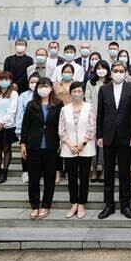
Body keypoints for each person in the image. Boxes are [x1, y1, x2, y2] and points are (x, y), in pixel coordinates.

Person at [96, 62, 131, 219]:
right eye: (116, 70)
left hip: (125, 136)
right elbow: (100, 114)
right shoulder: (104, 89)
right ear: (111, 73)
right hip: (108, 136)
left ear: (125, 73)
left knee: (124, 173)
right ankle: (109, 205)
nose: (118, 73)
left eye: (121, 71)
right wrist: (99, 135)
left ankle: (125, 205)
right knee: (108, 173)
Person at [20, 77, 63, 219]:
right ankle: (34, 206)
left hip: (51, 146)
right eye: (40, 86)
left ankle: (46, 206)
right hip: (33, 146)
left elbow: (61, 124)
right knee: (33, 179)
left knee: (50, 179)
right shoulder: (31, 105)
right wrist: (23, 143)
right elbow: (25, 125)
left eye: (46, 86)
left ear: (51, 88)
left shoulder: (58, 104)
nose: (43, 89)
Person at [58, 81, 96, 219]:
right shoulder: (65, 109)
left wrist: (82, 143)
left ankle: (82, 204)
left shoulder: (89, 107)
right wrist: (70, 144)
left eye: (79, 91)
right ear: (70, 93)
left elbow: (92, 127)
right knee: (72, 178)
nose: (77, 94)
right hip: (69, 148)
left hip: (86, 147)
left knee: (84, 177)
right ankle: (74, 203)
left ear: (83, 93)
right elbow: (61, 130)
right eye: (74, 91)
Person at [85, 60, 111, 183]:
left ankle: (104, 171)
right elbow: (87, 98)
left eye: (103, 68)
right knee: (93, 145)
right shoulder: (90, 82)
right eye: (99, 68)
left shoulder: (111, 82)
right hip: (93, 117)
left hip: (107, 118)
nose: (101, 70)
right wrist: (93, 113)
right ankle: (94, 171)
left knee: (105, 145)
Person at [16, 73, 40, 183]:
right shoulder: (23, 96)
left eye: (36, 82)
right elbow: (19, 113)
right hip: (26, 128)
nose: (34, 84)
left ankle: (38, 171)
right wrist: (19, 129)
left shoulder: (44, 95)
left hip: (39, 128)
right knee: (25, 150)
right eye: (32, 82)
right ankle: (26, 171)